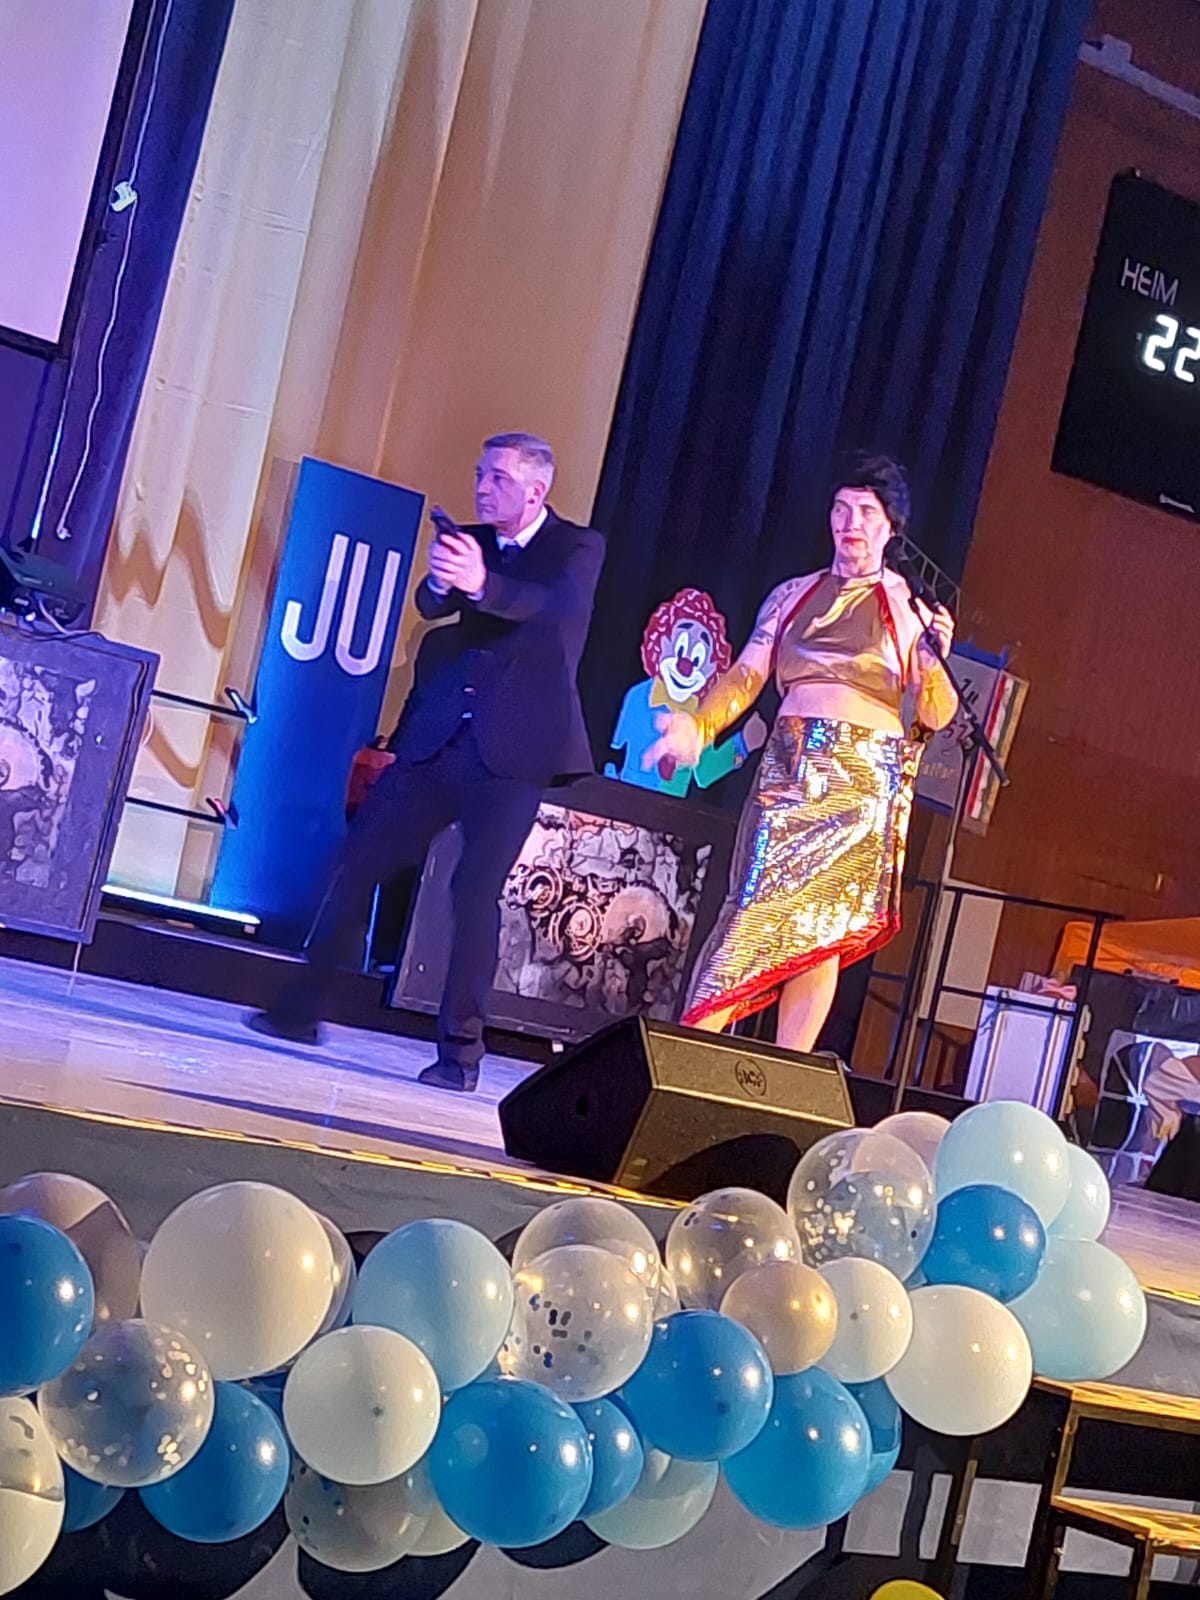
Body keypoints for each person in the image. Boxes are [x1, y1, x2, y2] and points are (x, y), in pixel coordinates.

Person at [249, 431, 605, 1092]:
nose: (483, 488)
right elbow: (431, 603)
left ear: (536, 490)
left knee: (472, 892)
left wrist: (482, 582)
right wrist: (444, 580)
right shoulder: (473, 538)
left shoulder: (576, 548)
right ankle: (300, 1009)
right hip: (441, 739)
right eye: (480, 474)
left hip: (513, 753)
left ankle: (460, 1055)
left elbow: (551, 609)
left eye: (499, 478)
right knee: (359, 858)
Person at [646, 452, 956, 1054]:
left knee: (825, 929)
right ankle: (687, 1053)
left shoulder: (910, 610)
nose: (850, 523)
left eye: (865, 512)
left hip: (863, 780)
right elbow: (746, 675)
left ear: (890, 527)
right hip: (792, 767)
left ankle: (788, 1066)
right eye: (841, 509)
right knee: (751, 910)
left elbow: (937, 715)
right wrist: (699, 726)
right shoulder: (792, 594)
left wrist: (931, 663)